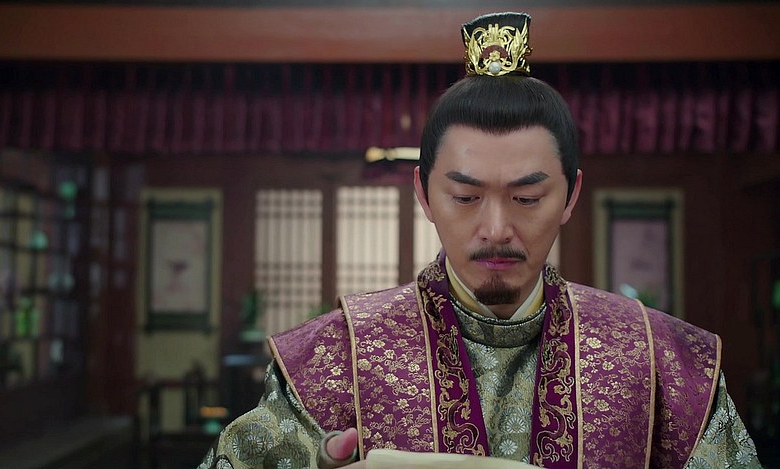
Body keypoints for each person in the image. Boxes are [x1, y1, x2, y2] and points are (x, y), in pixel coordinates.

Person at [198, 12, 761, 469]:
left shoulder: (661, 361)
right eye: (466, 197)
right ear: (424, 195)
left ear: (570, 196)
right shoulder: (335, 356)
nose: (495, 228)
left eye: (527, 198)